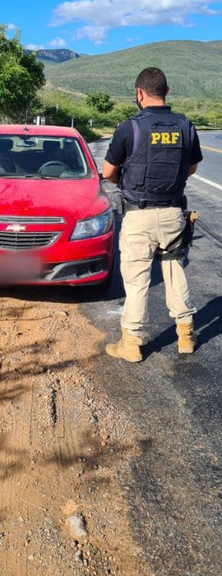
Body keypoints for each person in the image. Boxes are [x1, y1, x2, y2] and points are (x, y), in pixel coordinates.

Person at [102, 67, 203, 362]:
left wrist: (125, 182)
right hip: (173, 213)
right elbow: (192, 167)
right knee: (175, 271)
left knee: (136, 279)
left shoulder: (129, 127)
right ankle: (185, 335)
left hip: (138, 215)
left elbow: (108, 172)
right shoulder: (185, 125)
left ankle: (131, 342)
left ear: (139, 93)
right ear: (166, 92)